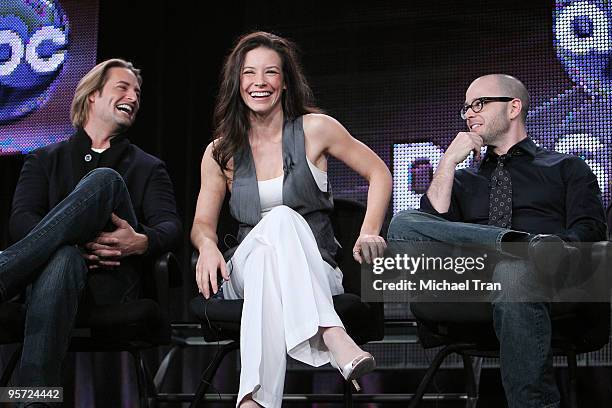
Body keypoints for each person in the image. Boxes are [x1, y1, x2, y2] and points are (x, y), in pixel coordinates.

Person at [191, 31, 392, 408]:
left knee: (278, 237)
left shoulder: (317, 129)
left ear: (284, 83)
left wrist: (369, 231)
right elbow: (203, 222)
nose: (259, 82)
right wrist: (206, 245)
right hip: (243, 273)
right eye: (249, 73)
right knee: (276, 227)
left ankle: (253, 399)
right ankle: (331, 333)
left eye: (270, 72)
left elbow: (379, 172)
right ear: (238, 83)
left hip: (314, 270)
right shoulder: (220, 151)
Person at [388, 74, 607, 408]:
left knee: (513, 274)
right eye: (465, 108)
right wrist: (448, 162)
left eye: (479, 104)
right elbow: (430, 233)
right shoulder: (462, 178)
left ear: (513, 108)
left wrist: (551, 255)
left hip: (547, 278)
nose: (468, 114)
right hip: (471, 277)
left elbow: (589, 232)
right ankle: (520, 244)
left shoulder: (566, 167)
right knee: (403, 223)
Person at [0, 59, 182, 393]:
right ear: (92, 96)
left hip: (112, 283)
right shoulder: (42, 159)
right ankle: (35, 401)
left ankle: (5, 270)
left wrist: (140, 242)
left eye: (138, 93)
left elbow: (170, 226)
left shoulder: (147, 166)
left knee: (105, 181)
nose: (134, 97)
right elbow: (21, 220)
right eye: (123, 87)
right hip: (49, 283)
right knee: (64, 259)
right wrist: (69, 244)